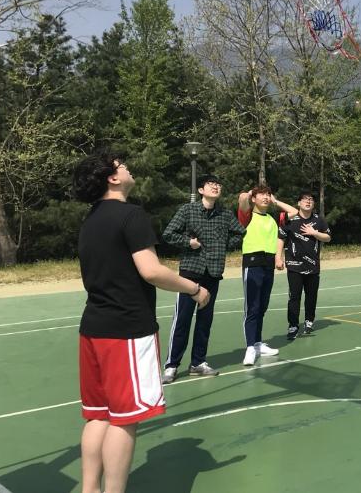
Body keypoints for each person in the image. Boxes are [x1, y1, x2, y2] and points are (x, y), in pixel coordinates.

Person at [73, 153, 211, 493]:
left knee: (98, 415)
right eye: (121, 165)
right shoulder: (131, 215)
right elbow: (151, 271)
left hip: (93, 328)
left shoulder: (90, 219)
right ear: (112, 178)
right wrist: (194, 289)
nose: (127, 167)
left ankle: (90, 489)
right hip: (127, 331)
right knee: (125, 419)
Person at [161, 174, 246, 382]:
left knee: (205, 320)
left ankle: (198, 363)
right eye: (211, 184)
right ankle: (172, 365)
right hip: (191, 272)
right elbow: (169, 234)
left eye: (218, 184)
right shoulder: (188, 210)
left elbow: (240, 233)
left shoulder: (225, 214)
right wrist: (188, 242)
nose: (216, 187)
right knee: (182, 319)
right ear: (201, 190)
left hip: (213, 272)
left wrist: (222, 245)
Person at [236, 186, 298, 366]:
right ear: (254, 199)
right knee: (252, 307)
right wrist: (249, 194)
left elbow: (294, 212)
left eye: (268, 195)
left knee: (262, 306)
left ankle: (257, 343)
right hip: (252, 263)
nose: (266, 197)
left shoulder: (273, 218)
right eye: (262, 195)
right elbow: (242, 200)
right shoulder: (247, 216)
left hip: (268, 265)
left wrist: (275, 201)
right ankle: (250, 347)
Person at [279, 191, 332, 340]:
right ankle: (293, 325)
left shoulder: (318, 220)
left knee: (311, 296)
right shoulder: (291, 219)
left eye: (311, 200)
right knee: (294, 297)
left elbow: (328, 237)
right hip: (294, 265)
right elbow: (281, 237)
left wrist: (314, 233)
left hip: (313, 265)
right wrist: (278, 257)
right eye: (305, 199)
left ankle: (309, 321)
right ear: (299, 203)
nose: (308, 202)